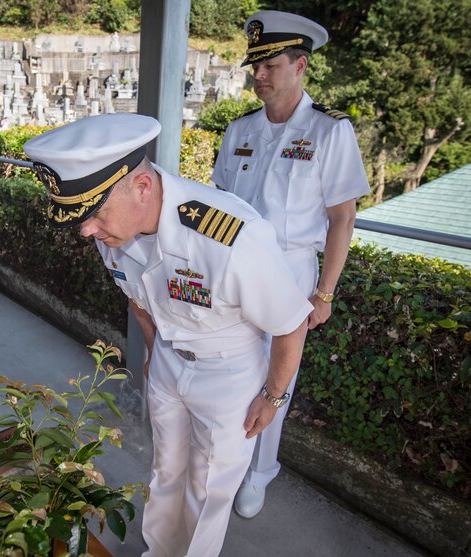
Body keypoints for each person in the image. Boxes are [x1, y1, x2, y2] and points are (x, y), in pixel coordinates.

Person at [23, 113, 313, 557]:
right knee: (166, 470)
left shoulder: (230, 238)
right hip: (169, 361)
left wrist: (273, 397)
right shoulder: (113, 232)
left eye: (95, 214)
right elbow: (137, 296)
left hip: (229, 373)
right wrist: (156, 352)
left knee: (208, 486)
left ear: (142, 187)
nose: (87, 230)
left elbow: (290, 322)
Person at [211, 10, 370, 519]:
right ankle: (227, 460)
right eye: (254, 65)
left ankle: (259, 473)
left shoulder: (328, 132)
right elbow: (217, 205)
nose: (258, 75)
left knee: (277, 381)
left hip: (290, 271)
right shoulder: (239, 130)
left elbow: (342, 218)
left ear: (300, 65)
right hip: (233, 271)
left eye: (270, 65)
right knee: (230, 368)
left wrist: (323, 293)